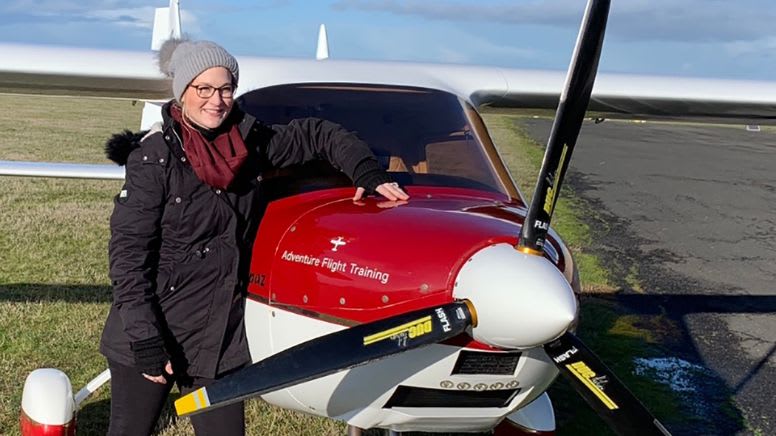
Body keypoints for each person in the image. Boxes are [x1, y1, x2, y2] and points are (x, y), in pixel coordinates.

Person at [99, 39, 408, 436]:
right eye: (204, 89)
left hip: (218, 339)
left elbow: (319, 134)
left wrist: (367, 171)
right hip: (153, 331)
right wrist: (145, 340)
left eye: (225, 89)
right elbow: (127, 259)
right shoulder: (153, 159)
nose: (216, 100)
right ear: (183, 92)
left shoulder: (251, 144)